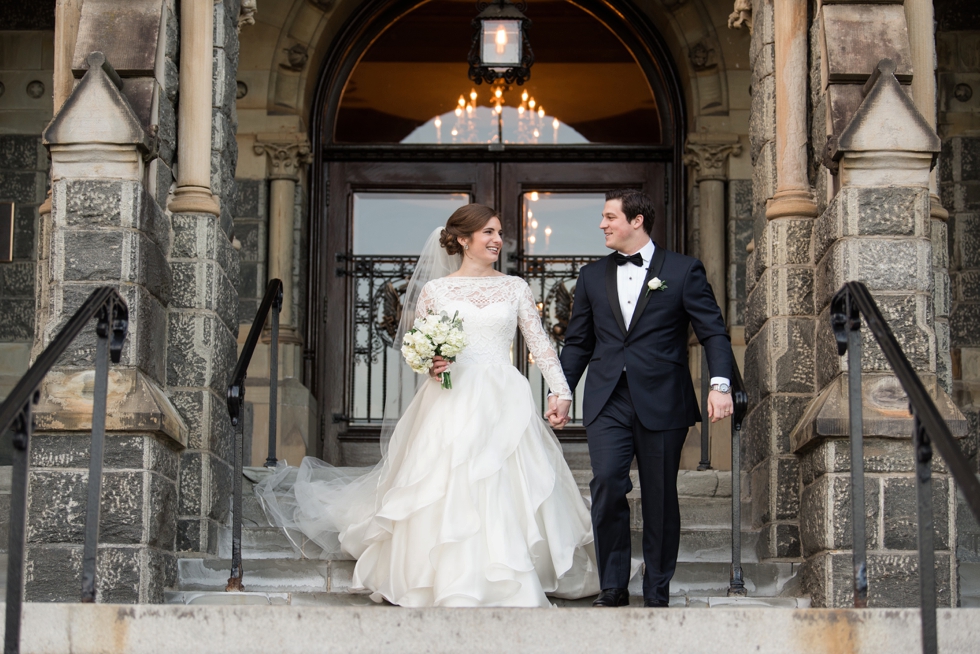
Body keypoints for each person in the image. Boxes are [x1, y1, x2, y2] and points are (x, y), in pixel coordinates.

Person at [255, 204, 600, 607]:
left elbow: (539, 344)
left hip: (503, 395)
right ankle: (448, 575)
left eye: (499, 233)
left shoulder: (515, 287)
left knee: (505, 478)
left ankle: (511, 570)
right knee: (447, 480)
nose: (496, 240)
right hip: (451, 397)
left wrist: (561, 390)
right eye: (487, 232)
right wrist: (432, 364)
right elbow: (417, 348)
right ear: (461, 240)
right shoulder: (437, 291)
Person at [546, 189, 733, 608]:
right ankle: (612, 584)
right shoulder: (591, 276)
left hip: (663, 399)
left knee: (660, 495)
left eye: (610, 216)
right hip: (607, 397)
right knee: (608, 482)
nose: (602, 224)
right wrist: (562, 391)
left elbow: (713, 331)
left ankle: (656, 587)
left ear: (637, 221)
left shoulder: (684, 271)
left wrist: (720, 385)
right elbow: (577, 344)